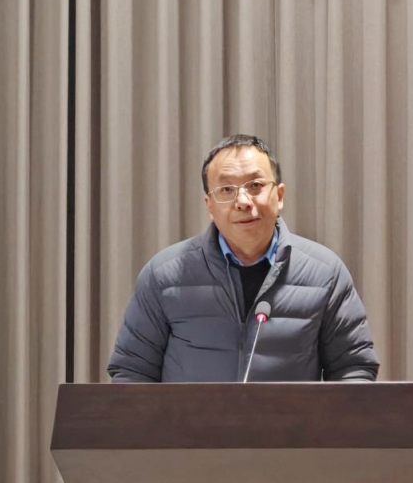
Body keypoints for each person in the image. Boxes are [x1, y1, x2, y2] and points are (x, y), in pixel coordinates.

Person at [107, 134, 380, 382]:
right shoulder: (164, 275)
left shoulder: (325, 273)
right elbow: (132, 372)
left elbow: (353, 369)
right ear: (209, 206)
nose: (242, 201)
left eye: (255, 185)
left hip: (291, 425)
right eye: (226, 190)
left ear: (279, 196)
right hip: (190, 425)